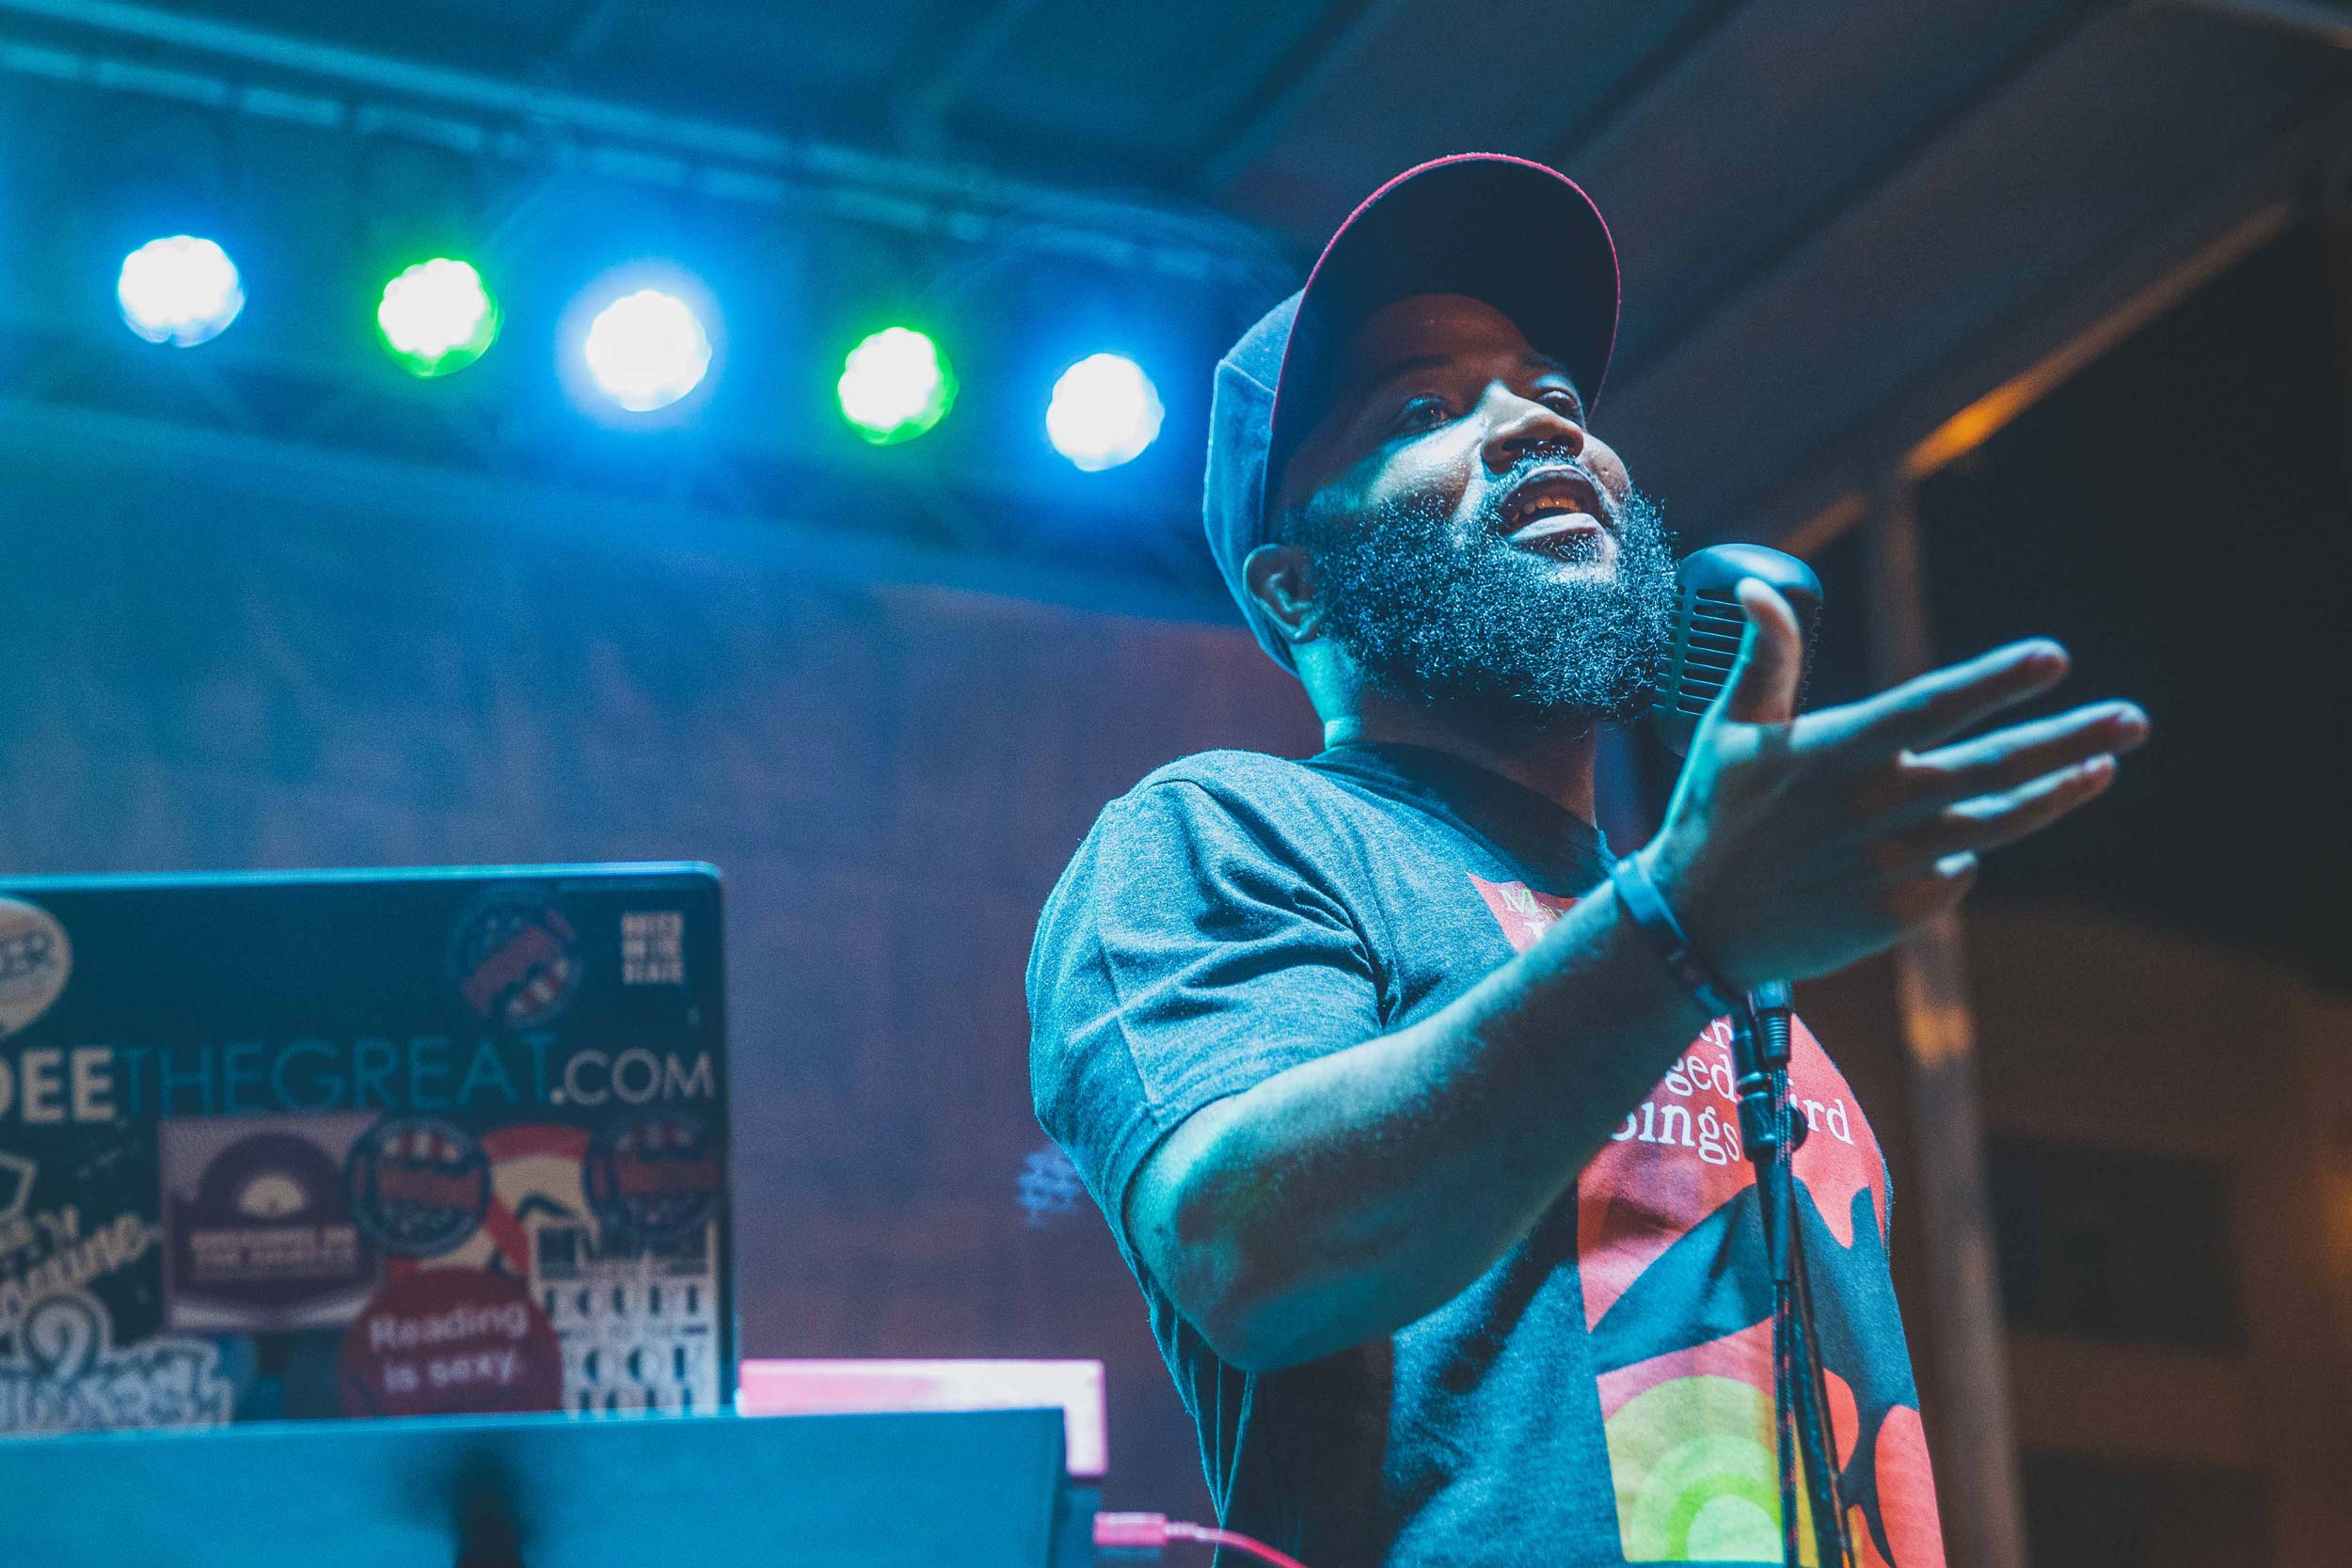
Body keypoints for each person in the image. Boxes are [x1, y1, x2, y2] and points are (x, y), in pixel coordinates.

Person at [1026, 154, 2146, 1568]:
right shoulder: (1233, 834)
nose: (1532, 431)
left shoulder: (1713, 939)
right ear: (1293, 583)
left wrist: (1685, 930)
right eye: (1424, 410)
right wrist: (1677, 932)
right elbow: (1250, 1253)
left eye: (1552, 397)